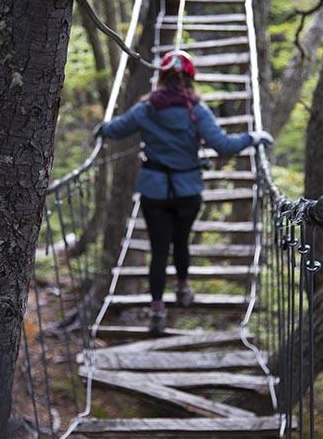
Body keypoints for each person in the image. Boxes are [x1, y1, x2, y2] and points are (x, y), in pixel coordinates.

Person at [94, 50, 274, 333]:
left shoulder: (146, 109)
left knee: (158, 250)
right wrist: (252, 137)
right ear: (190, 79)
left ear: (161, 78)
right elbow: (223, 145)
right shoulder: (196, 111)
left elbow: (116, 130)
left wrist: (102, 128)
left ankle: (157, 310)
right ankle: (182, 288)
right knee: (181, 241)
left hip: (154, 191)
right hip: (187, 191)